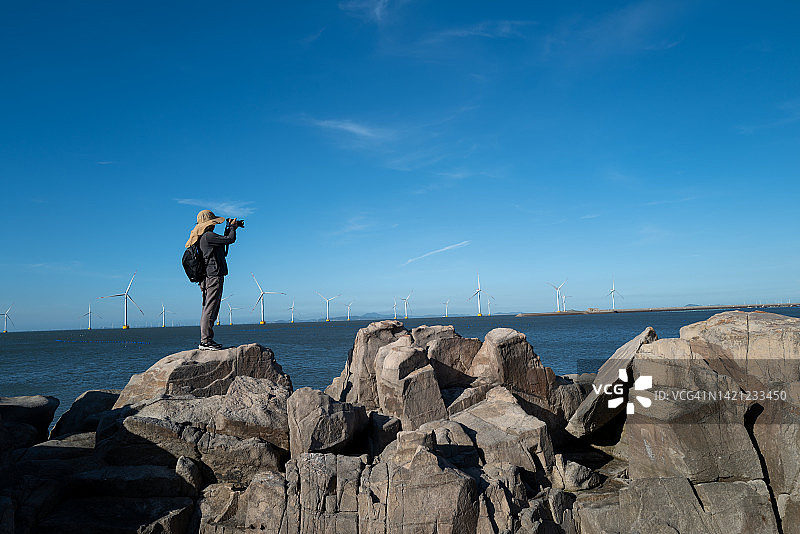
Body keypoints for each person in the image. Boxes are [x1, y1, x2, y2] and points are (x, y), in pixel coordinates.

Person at [185, 209, 241, 350]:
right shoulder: (208, 236)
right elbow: (230, 239)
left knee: (208, 307)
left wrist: (229, 228)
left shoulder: (201, 237)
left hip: (206, 277)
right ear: (209, 223)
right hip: (213, 276)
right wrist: (232, 228)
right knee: (210, 308)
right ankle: (206, 341)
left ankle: (207, 340)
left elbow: (223, 242)